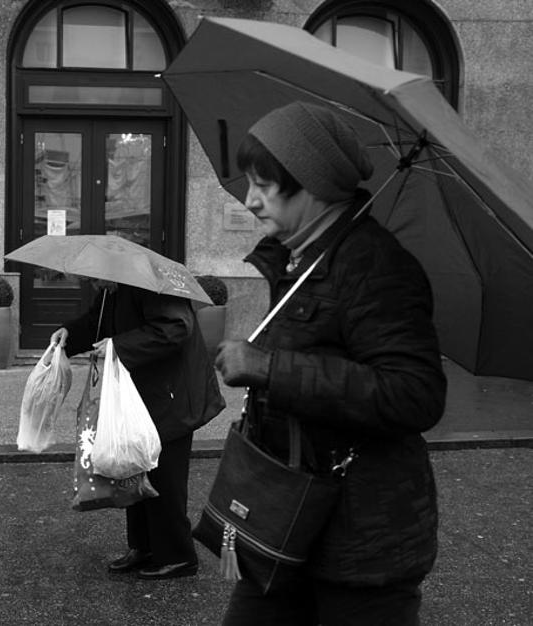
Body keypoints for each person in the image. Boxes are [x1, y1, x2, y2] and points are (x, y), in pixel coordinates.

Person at [213, 101, 447, 624]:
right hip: (285, 523)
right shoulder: (300, 258)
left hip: (360, 543)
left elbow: (415, 394)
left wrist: (270, 368)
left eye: (262, 184)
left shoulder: (375, 265)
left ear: (312, 183)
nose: (249, 200)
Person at [51, 277, 225, 580]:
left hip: (173, 392)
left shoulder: (154, 285)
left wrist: (118, 346)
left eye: (95, 279)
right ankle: (144, 547)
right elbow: (95, 322)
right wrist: (69, 334)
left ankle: (178, 556)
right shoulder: (113, 286)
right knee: (135, 468)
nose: (93, 284)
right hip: (144, 391)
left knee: (165, 477)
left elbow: (176, 327)